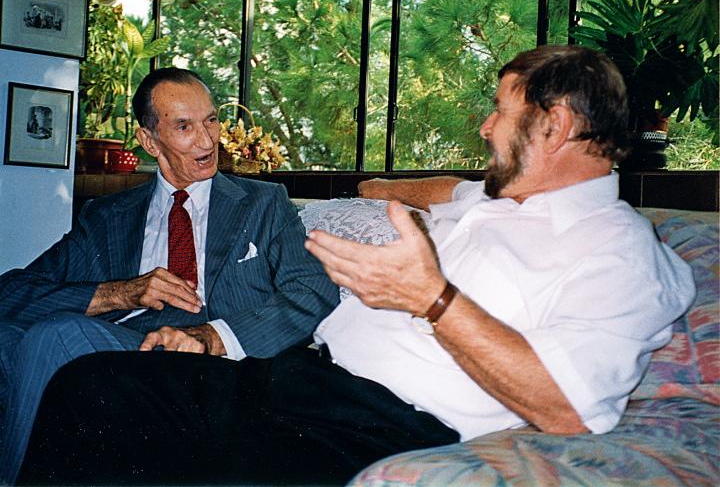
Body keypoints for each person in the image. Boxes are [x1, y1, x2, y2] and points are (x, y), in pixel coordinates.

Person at [17, 46, 695, 486]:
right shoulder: (495, 198)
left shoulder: (620, 251)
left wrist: (432, 299)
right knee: (90, 384)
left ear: (556, 124)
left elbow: (568, 409)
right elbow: (436, 189)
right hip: (297, 375)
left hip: (382, 421)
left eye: (500, 111)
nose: (486, 128)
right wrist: (379, 189)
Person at [0, 68, 338, 483]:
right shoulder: (107, 216)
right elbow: (11, 294)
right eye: (184, 127)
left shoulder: (263, 203)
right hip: (131, 349)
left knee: (56, 334)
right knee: (8, 336)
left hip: (220, 365)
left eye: (211, 121)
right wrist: (120, 293)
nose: (207, 141)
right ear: (149, 141)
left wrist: (211, 337)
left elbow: (313, 291)